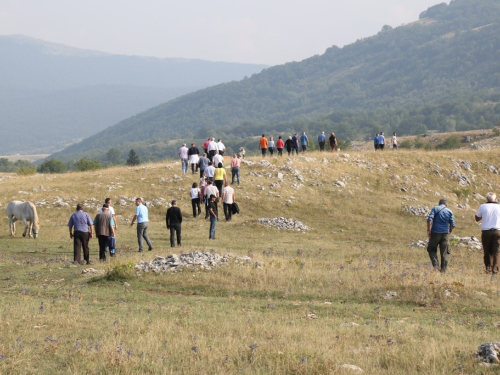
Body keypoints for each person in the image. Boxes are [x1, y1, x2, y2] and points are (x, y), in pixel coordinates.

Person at [426, 198, 455, 273]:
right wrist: (450, 232)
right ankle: (443, 271)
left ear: (439, 203)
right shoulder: (449, 211)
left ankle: (436, 266)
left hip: (435, 232)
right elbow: (452, 224)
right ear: (446, 204)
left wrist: (428, 230)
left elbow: (429, 220)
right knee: (444, 252)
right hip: (445, 233)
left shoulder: (435, 208)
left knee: (431, 249)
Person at [475, 192, 500, 275]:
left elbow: (477, 218)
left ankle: (488, 268)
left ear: (487, 199)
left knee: (487, 251)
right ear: (495, 199)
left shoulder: (483, 206)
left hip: (486, 232)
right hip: (497, 231)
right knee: (496, 251)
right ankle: (495, 271)